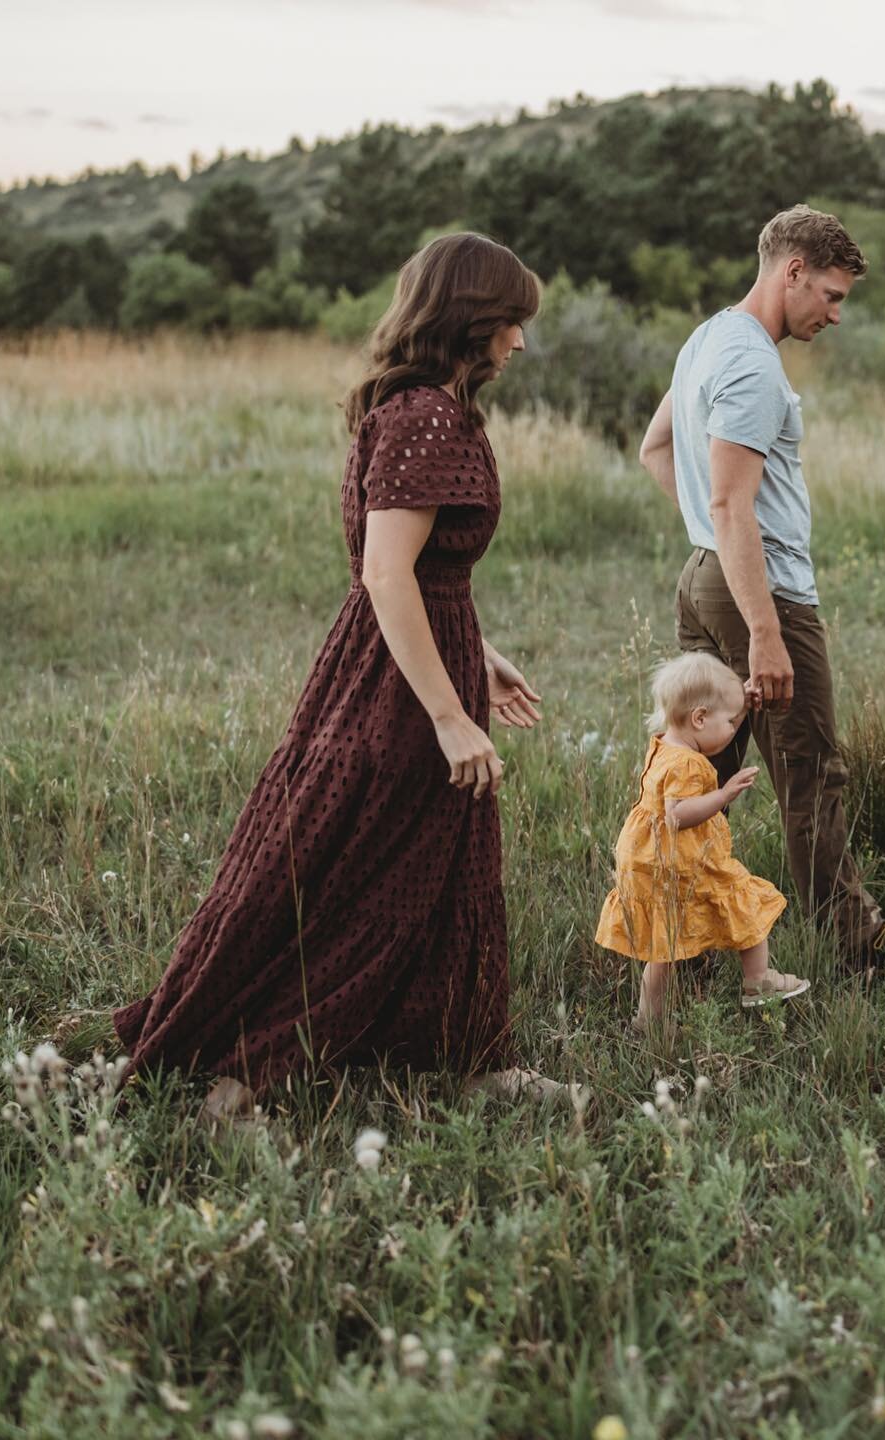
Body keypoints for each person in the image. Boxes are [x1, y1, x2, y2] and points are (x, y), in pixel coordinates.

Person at [113, 232, 575, 1126]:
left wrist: (476, 654)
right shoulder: (424, 418)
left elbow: (418, 572)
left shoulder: (427, 407)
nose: (521, 343)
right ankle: (239, 1080)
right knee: (362, 881)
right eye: (512, 323)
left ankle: (474, 1058)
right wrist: (447, 712)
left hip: (414, 653)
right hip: (393, 689)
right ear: (471, 321)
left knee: (447, 869)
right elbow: (383, 574)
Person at [638, 205, 885, 970]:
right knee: (811, 768)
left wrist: (714, 546)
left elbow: (657, 448)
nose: (837, 315)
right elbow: (728, 501)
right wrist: (766, 628)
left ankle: (666, 936)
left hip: (707, 576)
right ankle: (856, 942)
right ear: (793, 273)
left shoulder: (706, 339)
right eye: (832, 295)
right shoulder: (750, 363)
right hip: (763, 592)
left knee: (692, 769)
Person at [596, 652, 811, 1032]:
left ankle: (649, 1019)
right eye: (730, 722)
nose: (733, 729)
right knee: (745, 899)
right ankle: (757, 979)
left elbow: (714, 728)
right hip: (681, 860)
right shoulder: (689, 765)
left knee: (664, 950)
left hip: (652, 859)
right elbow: (678, 814)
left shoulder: (664, 745)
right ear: (699, 718)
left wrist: (739, 703)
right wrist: (724, 794)